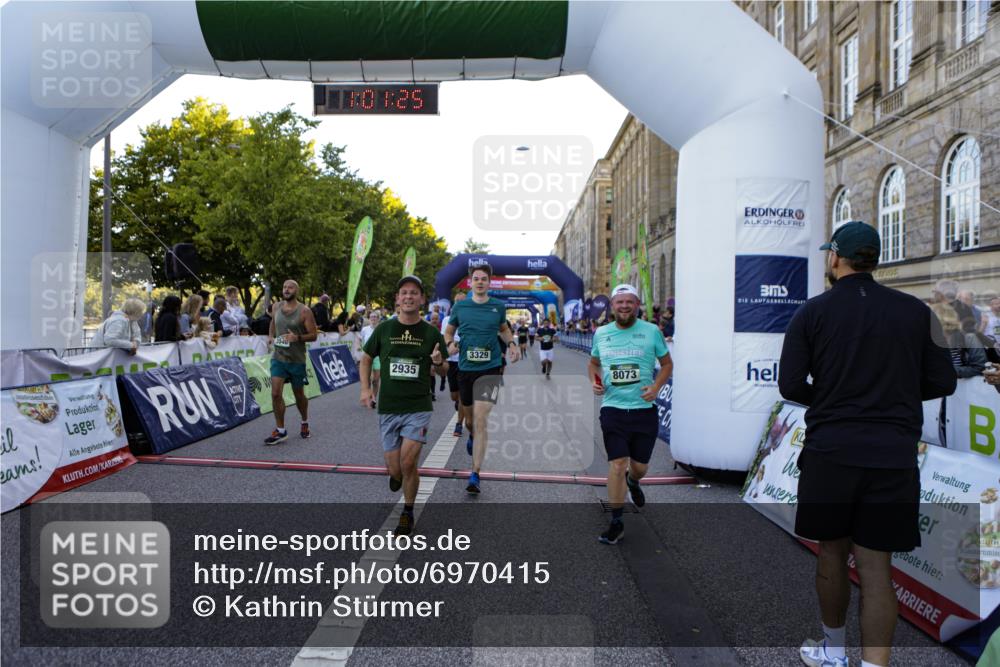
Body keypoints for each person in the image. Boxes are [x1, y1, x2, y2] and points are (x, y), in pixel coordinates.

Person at [777, 221, 957, 667]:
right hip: (891, 453)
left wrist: (839, 398)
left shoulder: (811, 312)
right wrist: (888, 396)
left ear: (835, 258)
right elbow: (944, 380)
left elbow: (790, 385)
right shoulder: (917, 312)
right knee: (877, 569)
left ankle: (834, 652)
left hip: (831, 450)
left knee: (833, 554)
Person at [360, 275, 447, 536]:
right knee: (395, 467)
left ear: (421, 299)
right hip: (388, 407)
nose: (408, 297)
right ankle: (396, 476)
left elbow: (443, 371)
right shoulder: (384, 329)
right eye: (404, 293)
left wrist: (438, 362)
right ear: (398, 299)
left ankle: (407, 511)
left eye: (414, 293)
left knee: (409, 464)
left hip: (418, 407)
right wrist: (365, 389)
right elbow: (365, 358)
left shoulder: (431, 333)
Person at [589, 284, 672, 545]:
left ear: (637, 305)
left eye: (629, 302)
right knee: (617, 464)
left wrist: (657, 386)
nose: (624, 306)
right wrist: (596, 380)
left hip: (643, 411)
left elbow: (668, 364)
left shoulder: (652, 332)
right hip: (612, 409)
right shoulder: (601, 333)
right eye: (619, 302)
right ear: (612, 306)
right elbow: (594, 362)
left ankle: (634, 482)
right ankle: (616, 521)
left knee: (639, 467)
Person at [444, 263, 520, 494]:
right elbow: (448, 332)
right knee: (469, 421)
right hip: (466, 369)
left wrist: (512, 343)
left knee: (480, 419)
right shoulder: (460, 306)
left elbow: (504, 329)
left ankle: (475, 473)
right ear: (470, 282)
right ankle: (471, 435)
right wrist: (449, 344)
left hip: (491, 369)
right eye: (476, 279)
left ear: (489, 282)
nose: (479, 282)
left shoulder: (498, 306)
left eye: (483, 279)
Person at [266, 279, 319, 445]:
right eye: (284, 287)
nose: (286, 289)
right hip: (279, 358)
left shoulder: (305, 311)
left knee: (299, 395)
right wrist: (270, 336)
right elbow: (273, 323)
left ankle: (304, 421)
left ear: (297, 290)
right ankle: (280, 430)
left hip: (296, 359)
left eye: (290, 287)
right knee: (275, 393)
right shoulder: (276, 307)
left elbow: (314, 335)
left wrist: (297, 338)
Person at [930, 302, 987, 378]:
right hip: (940, 388)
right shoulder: (929, 341)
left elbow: (980, 368)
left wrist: (949, 371)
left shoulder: (969, 338)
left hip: (966, 388)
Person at [440, 293, 466, 437]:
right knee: (454, 396)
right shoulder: (446, 320)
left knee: (463, 394)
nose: (459, 304)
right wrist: (449, 347)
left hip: (465, 361)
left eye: (462, 302)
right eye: (457, 301)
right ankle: (458, 404)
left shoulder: (469, 319)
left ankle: (459, 424)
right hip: (451, 360)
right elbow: (443, 337)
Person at [360, 310, 383, 409]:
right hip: (367, 356)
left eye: (375, 317)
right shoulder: (365, 329)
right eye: (371, 317)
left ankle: (374, 399)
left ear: (378, 319)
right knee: (368, 379)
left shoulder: (381, 329)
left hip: (378, 357)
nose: (373, 318)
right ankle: (369, 397)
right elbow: (361, 341)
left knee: (376, 379)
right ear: (369, 319)